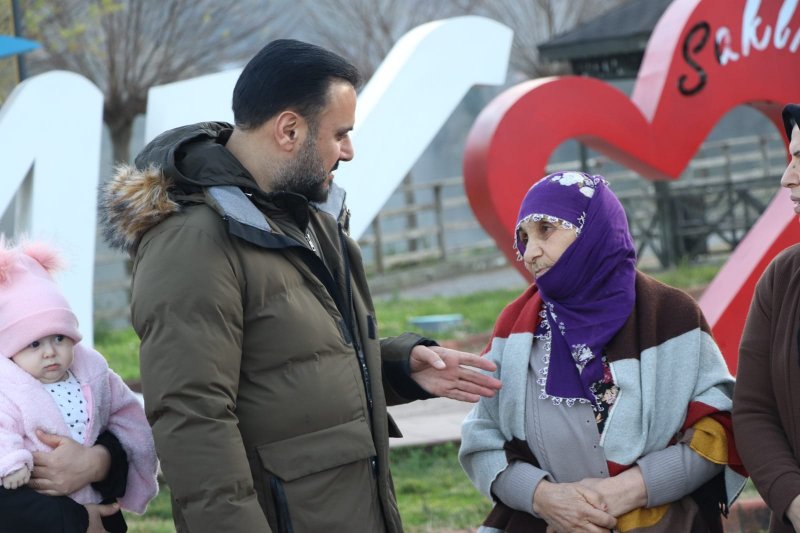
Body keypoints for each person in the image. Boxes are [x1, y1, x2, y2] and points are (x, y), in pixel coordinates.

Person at [99, 38, 501, 533]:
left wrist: (397, 367)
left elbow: (291, 367)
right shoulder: (192, 241)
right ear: (289, 129)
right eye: (340, 134)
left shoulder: (307, 220)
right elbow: (193, 421)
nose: (348, 151)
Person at [459, 171, 746, 532]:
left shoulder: (670, 315)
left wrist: (628, 491)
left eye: (546, 229)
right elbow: (481, 439)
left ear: (593, 228)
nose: (530, 253)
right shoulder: (514, 329)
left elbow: (718, 428)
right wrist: (543, 498)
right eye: (524, 238)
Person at [0, 239, 158, 532]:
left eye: (59, 338)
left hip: (98, 505)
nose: (50, 352)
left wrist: (100, 461)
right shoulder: (9, 389)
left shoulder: (91, 373)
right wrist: (11, 462)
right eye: (34, 344)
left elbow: (126, 417)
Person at [733, 103, 800, 533]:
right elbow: (754, 410)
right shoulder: (782, 278)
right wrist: (794, 502)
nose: (787, 177)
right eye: (791, 158)